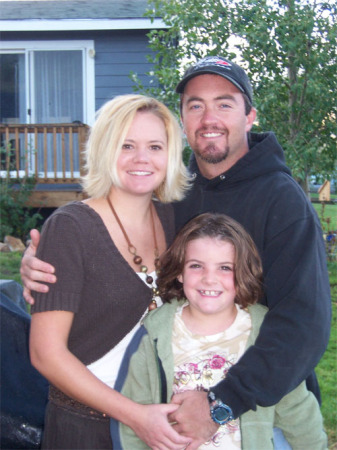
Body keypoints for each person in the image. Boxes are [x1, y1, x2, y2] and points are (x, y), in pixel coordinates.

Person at [21, 56, 331, 446]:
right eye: (195, 105)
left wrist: (221, 404)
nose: (209, 117)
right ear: (183, 121)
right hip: (158, 414)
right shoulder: (176, 204)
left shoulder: (283, 202)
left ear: (250, 116)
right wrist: (40, 265)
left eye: (224, 103)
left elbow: (304, 325)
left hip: (258, 416)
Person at [28, 94, 191, 450]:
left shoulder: (172, 221)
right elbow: (45, 353)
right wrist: (135, 415)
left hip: (154, 429)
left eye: (154, 146)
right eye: (126, 145)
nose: (141, 158)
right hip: (85, 429)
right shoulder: (71, 228)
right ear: (105, 149)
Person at [111, 212, 327, 450]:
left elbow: (297, 410)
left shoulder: (264, 333)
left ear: (242, 272)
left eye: (225, 268)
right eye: (196, 266)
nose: (209, 279)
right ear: (180, 272)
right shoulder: (153, 334)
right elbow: (134, 418)